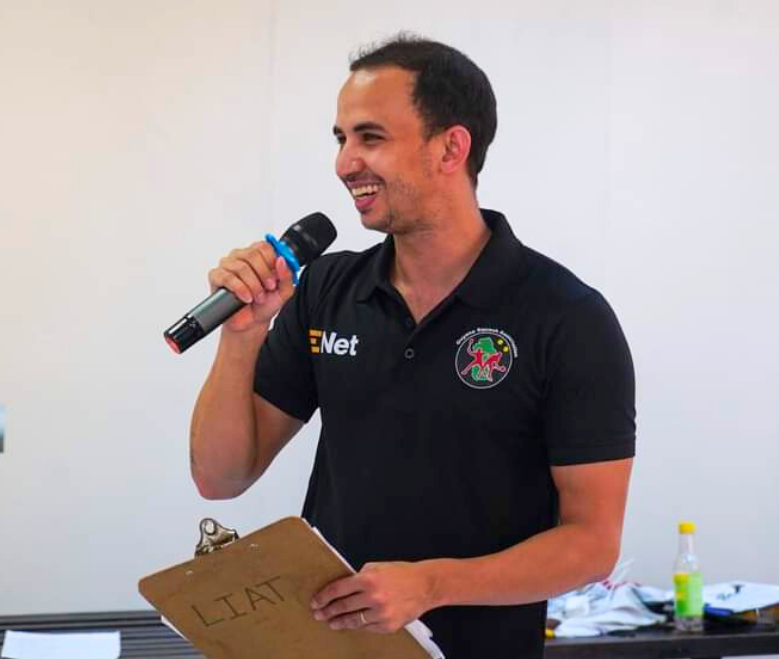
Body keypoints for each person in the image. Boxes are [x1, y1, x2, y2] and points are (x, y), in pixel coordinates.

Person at [189, 35, 635, 659]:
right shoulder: (326, 289)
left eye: (370, 138)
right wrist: (241, 337)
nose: (345, 163)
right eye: (340, 139)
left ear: (451, 147)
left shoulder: (566, 316)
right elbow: (220, 476)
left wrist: (429, 585)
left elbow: (591, 544)